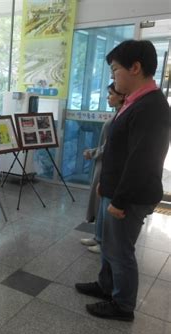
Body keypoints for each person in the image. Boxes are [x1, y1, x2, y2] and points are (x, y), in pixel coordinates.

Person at [75, 40, 169, 321]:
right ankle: (106, 286)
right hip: (113, 190)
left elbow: (142, 161)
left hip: (128, 197)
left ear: (135, 68)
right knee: (109, 246)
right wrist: (106, 185)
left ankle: (123, 305)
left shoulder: (151, 107)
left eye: (115, 70)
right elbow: (119, 150)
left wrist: (120, 199)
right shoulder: (134, 102)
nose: (113, 77)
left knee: (120, 252)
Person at [80, 83, 125, 254]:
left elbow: (110, 147)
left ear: (121, 96)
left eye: (111, 94)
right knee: (99, 203)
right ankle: (98, 236)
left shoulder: (122, 117)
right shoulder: (117, 115)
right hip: (102, 163)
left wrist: (92, 153)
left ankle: (103, 241)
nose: (108, 97)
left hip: (107, 165)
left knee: (103, 203)